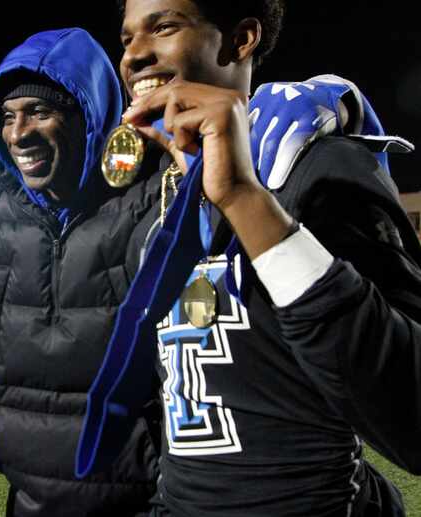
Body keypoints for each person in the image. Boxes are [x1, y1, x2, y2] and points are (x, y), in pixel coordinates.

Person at [103, 0, 420, 514]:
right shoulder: (164, 189)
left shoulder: (319, 167)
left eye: (163, 27)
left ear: (242, 38)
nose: (134, 55)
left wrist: (247, 201)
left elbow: (412, 417)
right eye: (126, 38)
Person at [0, 27, 163, 517]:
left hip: (140, 500)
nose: (18, 133)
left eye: (40, 112)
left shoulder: (153, 196)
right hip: (26, 497)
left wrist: (340, 103)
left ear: (88, 118)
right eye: (6, 117)